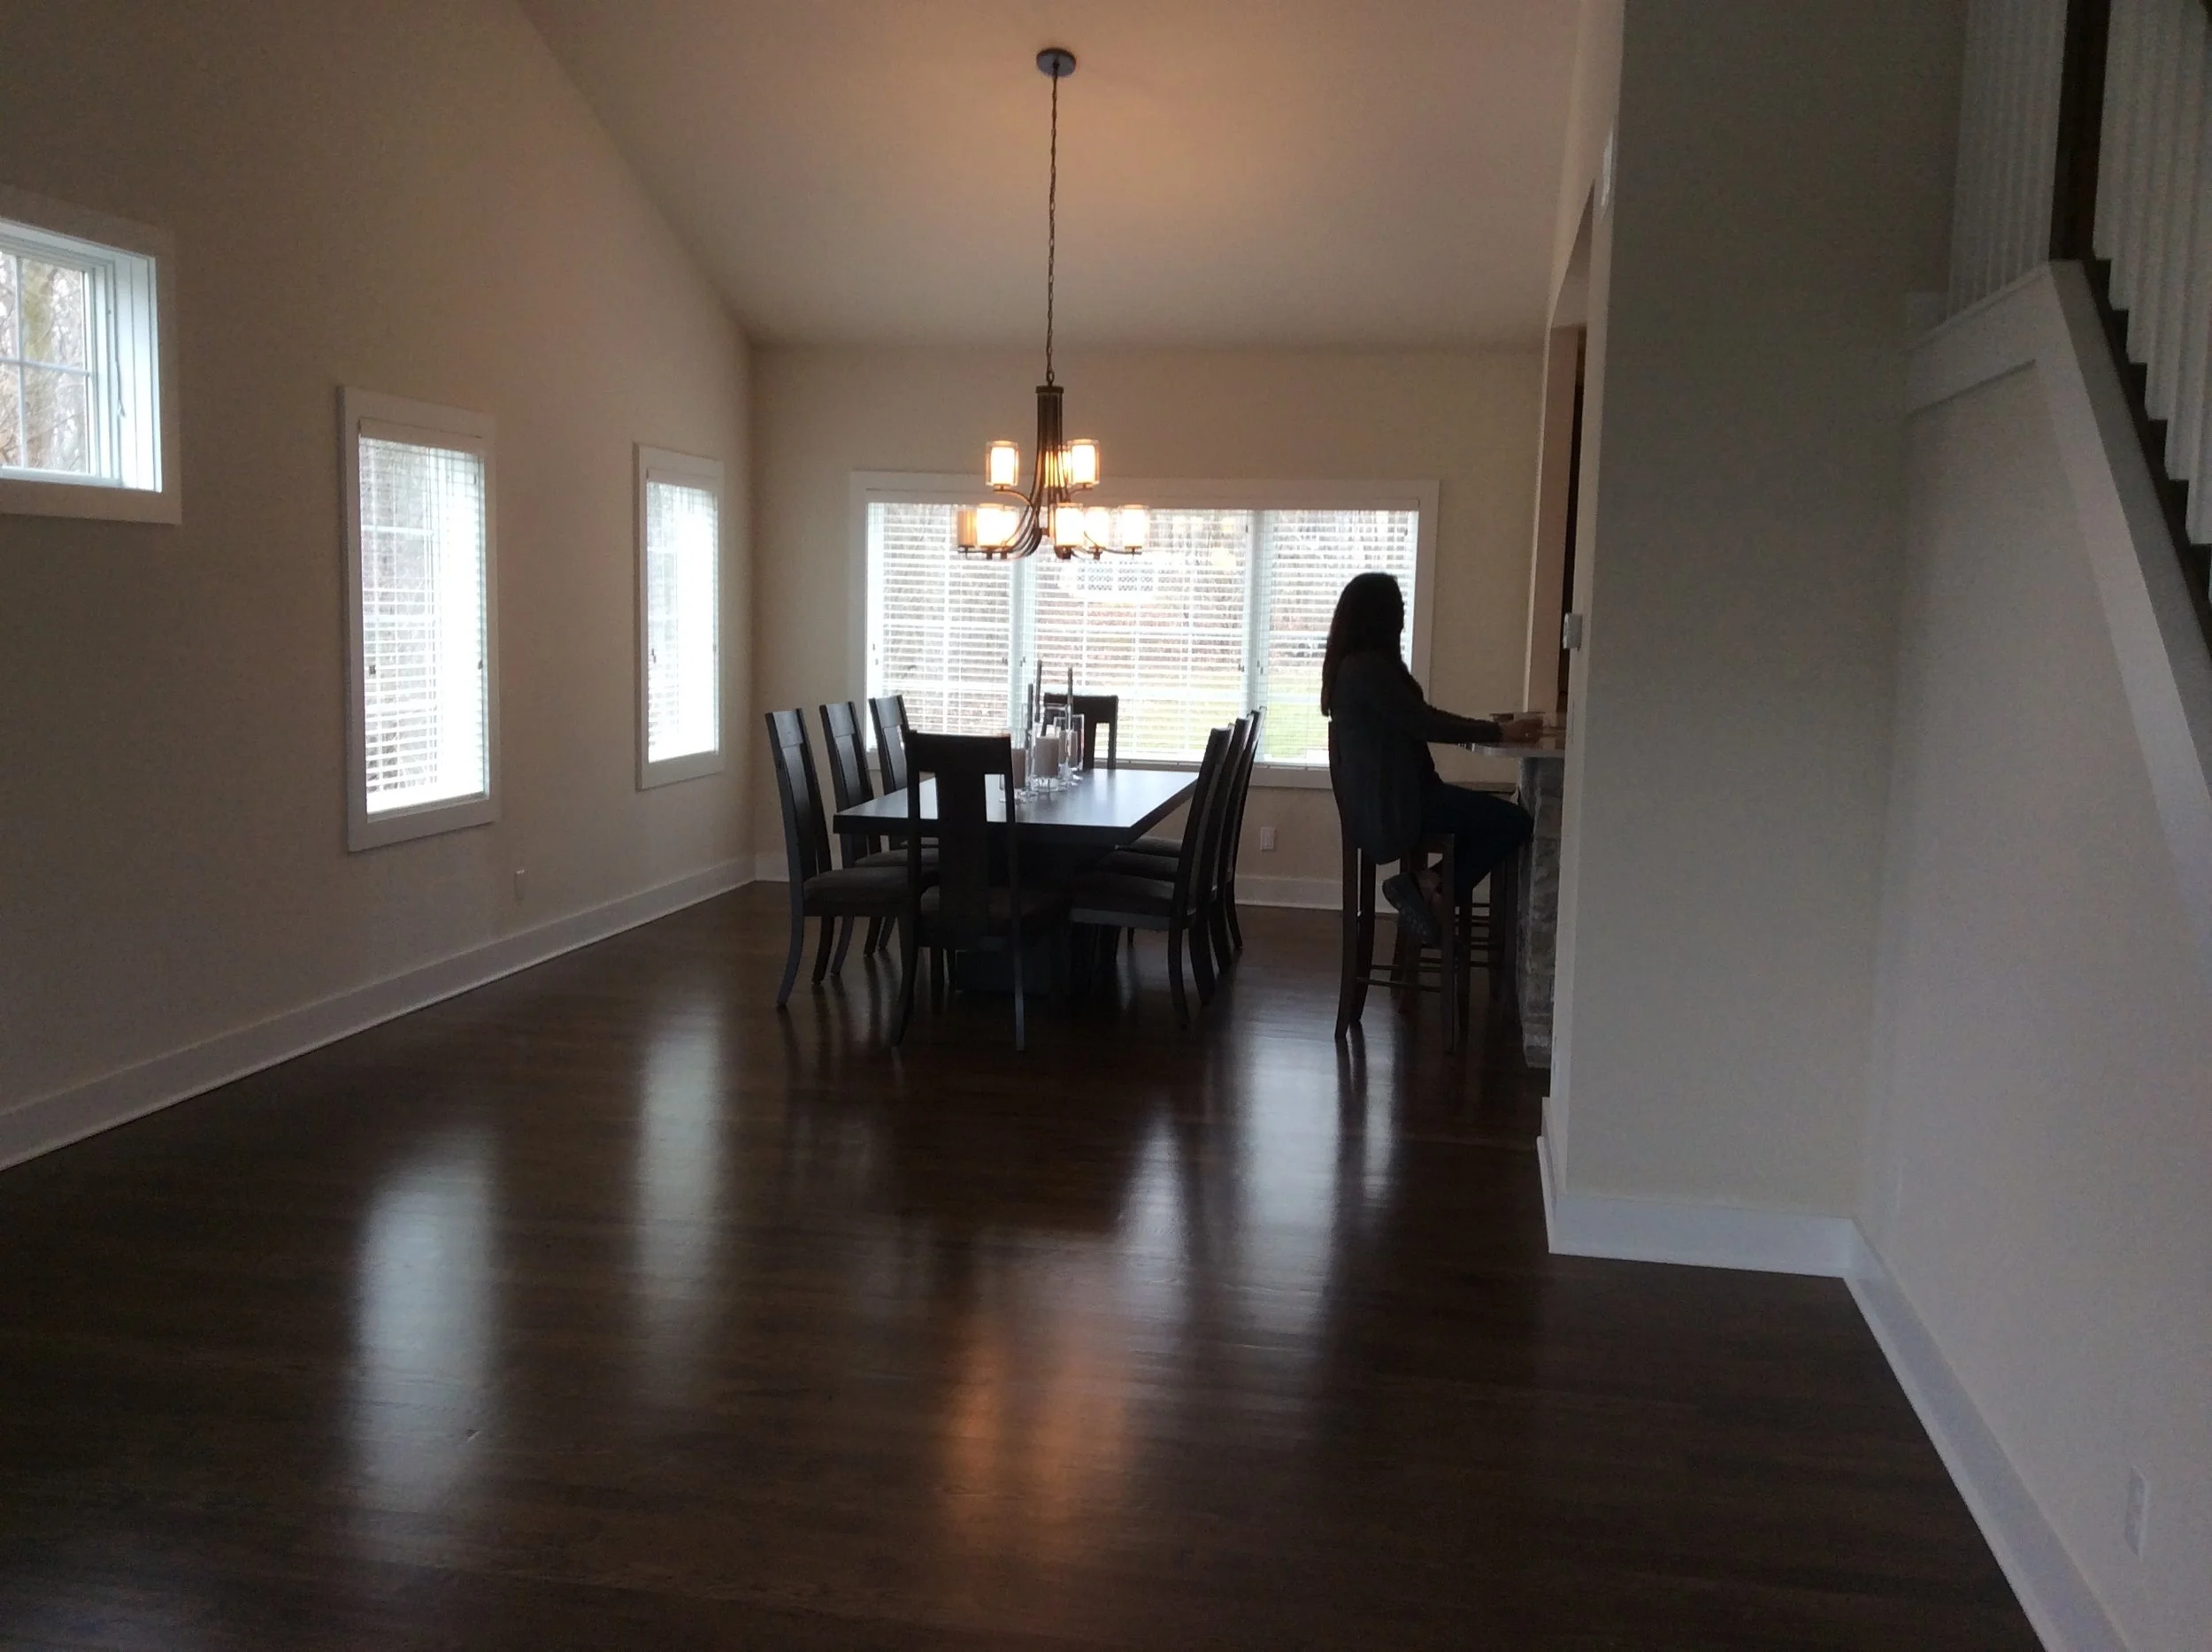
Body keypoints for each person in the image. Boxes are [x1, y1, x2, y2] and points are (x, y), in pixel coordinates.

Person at [1323, 572, 1539, 947]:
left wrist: (1491, 730)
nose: (1404, 617)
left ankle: (1427, 889)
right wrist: (1498, 732)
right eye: (1399, 609)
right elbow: (1424, 722)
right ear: (1381, 616)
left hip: (1396, 800)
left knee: (1503, 819)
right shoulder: (1367, 669)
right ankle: (1427, 885)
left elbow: (1420, 716)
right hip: (1400, 806)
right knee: (1512, 821)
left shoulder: (1361, 667)